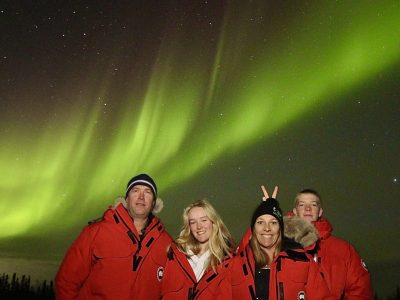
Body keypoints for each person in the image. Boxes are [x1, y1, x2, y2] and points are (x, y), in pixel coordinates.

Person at [55, 173, 173, 300]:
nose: (141, 197)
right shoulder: (96, 232)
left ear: (154, 202)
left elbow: (174, 289)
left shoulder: (166, 243)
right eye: (135, 190)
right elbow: (66, 281)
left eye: (148, 192)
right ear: (126, 199)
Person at [230, 191, 333, 299]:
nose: (267, 228)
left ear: (281, 228)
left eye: (273, 222)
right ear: (253, 228)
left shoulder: (303, 262)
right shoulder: (234, 266)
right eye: (260, 222)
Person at [292, 189, 373, 299]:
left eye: (313, 204)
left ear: (320, 211)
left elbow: (360, 291)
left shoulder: (343, 249)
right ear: (295, 211)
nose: (308, 208)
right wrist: (269, 212)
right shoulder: (281, 246)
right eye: (302, 205)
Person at [161, 199, 235, 299]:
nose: (199, 226)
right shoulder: (175, 255)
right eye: (193, 222)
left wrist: (264, 210)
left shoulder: (228, 259)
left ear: (213, 222)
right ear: (189, 227)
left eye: (204, 220)